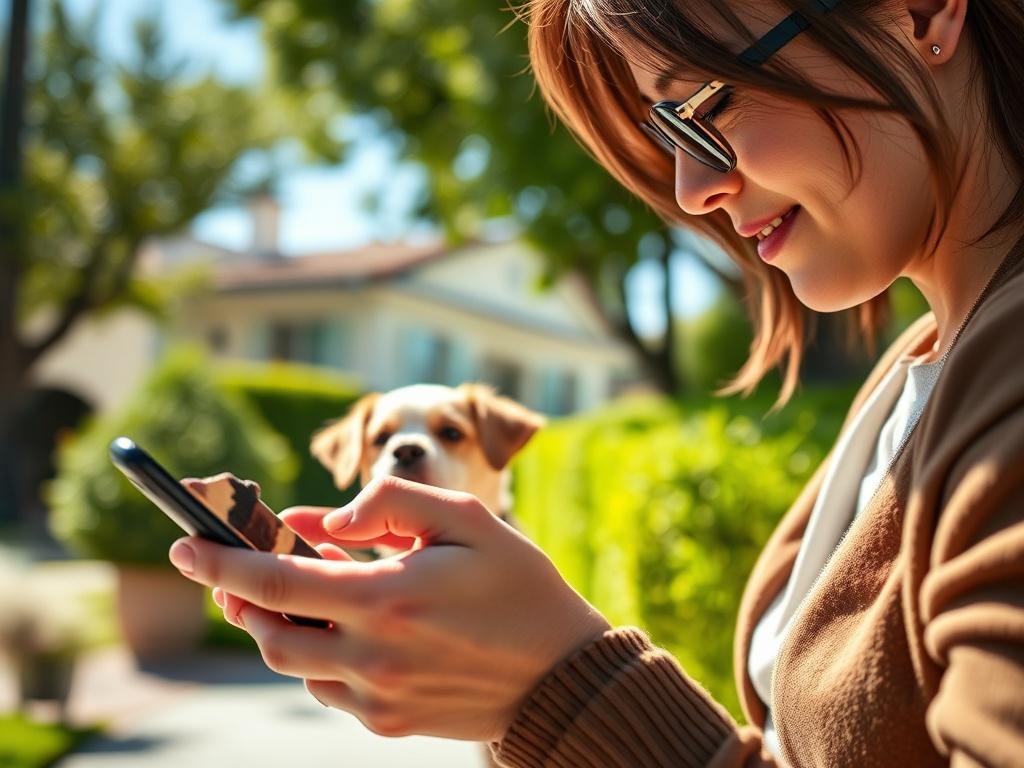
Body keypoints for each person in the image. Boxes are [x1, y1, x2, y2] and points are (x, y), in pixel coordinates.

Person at [167, 0, 1024, 764]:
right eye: (670, 136)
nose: (693, 190)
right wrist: (536, 687)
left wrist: (565, 679)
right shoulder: (918, 369)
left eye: (703, 108)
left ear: (922, 14)